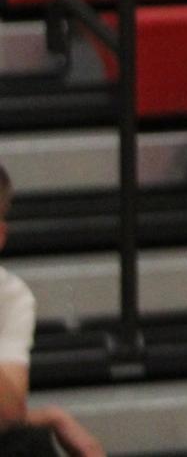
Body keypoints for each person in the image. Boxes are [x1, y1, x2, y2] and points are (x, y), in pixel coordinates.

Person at [0, 166, 104, 457]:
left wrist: (50, 417)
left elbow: (8, 412)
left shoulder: (10, 295)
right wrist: (45, 416)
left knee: (27, 447)